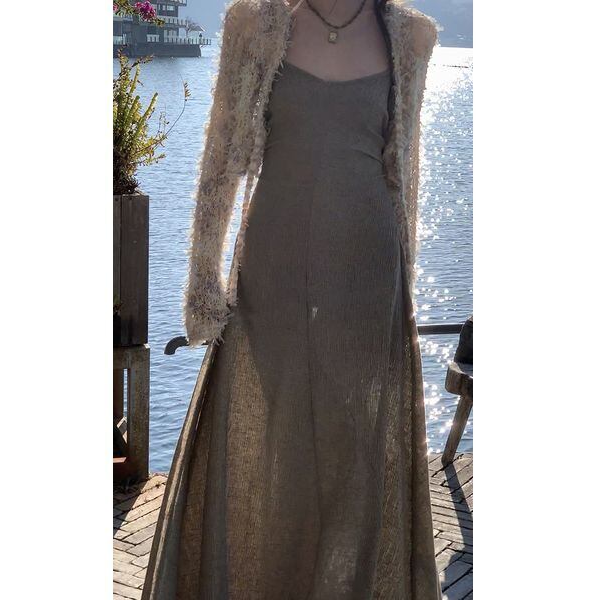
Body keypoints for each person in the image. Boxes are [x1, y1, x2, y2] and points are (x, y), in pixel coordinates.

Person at [142, 0, 441, 598]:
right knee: (264, 439)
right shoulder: (254, 25)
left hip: (367, 279)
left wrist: (403, 288)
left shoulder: (411, 37)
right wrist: (203, 283)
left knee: (357, 452)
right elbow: (220, 164)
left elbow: (403, 174)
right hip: (271, 272)